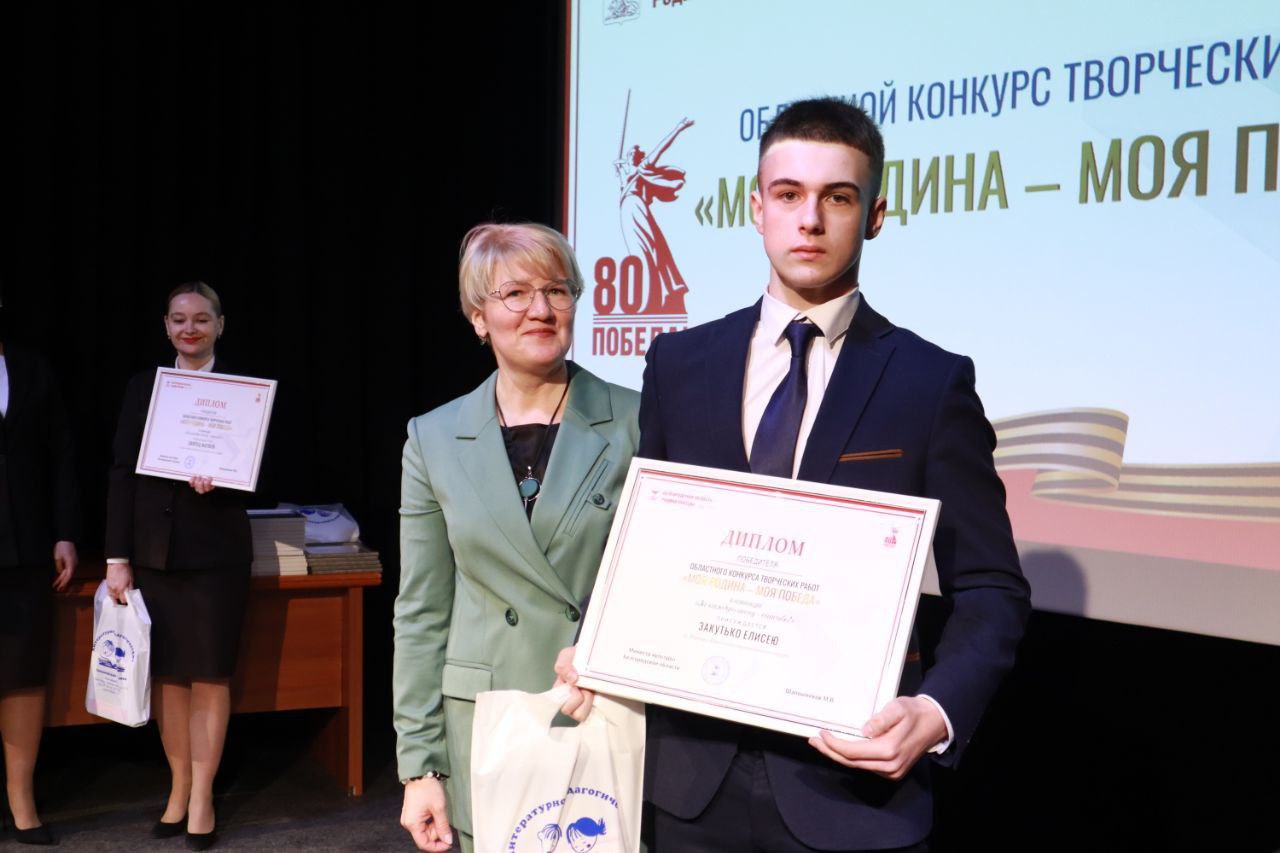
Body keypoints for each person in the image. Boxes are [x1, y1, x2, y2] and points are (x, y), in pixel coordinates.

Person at [557, 98, 1031, 850]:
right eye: (788, 194)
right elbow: (645, 542)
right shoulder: (681, 365)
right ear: (757, 208)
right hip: (687, 786)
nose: (809, 220)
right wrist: (597, 640)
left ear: (874, 216)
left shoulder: (929, 382)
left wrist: (935, 710)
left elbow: (991, 587)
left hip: (854, 792)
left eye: (837, 197)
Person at [394, 222, 640, 853]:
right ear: (478, 317)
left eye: (557, 290)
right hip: (489, 725)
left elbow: (663, 582)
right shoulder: (433, 437)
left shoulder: (636, 420)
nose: (541, 309)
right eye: (516, 294)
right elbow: (421, 611)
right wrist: (419, 766)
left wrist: (605, 653)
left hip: (603, 708)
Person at [105, 282, 254, 850]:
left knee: (209, 675)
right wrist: (118, 556)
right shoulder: (143, 387)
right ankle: (179, 786)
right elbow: (122, 471)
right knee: (168, 676)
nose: (189, 329)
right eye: (178, 319)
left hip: (216, 556)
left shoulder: (244, 391)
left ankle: (203, 797)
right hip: (155, 555)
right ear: (166, 327)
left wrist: (226, 478)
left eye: (201, 319)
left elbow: (266, 471)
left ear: (220, 325)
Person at [0, 304, 80, 846]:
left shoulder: (33, 368)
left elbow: (60, 455)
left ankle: (22, 801)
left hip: (26, 547)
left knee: (22, 675)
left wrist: (65, 532)